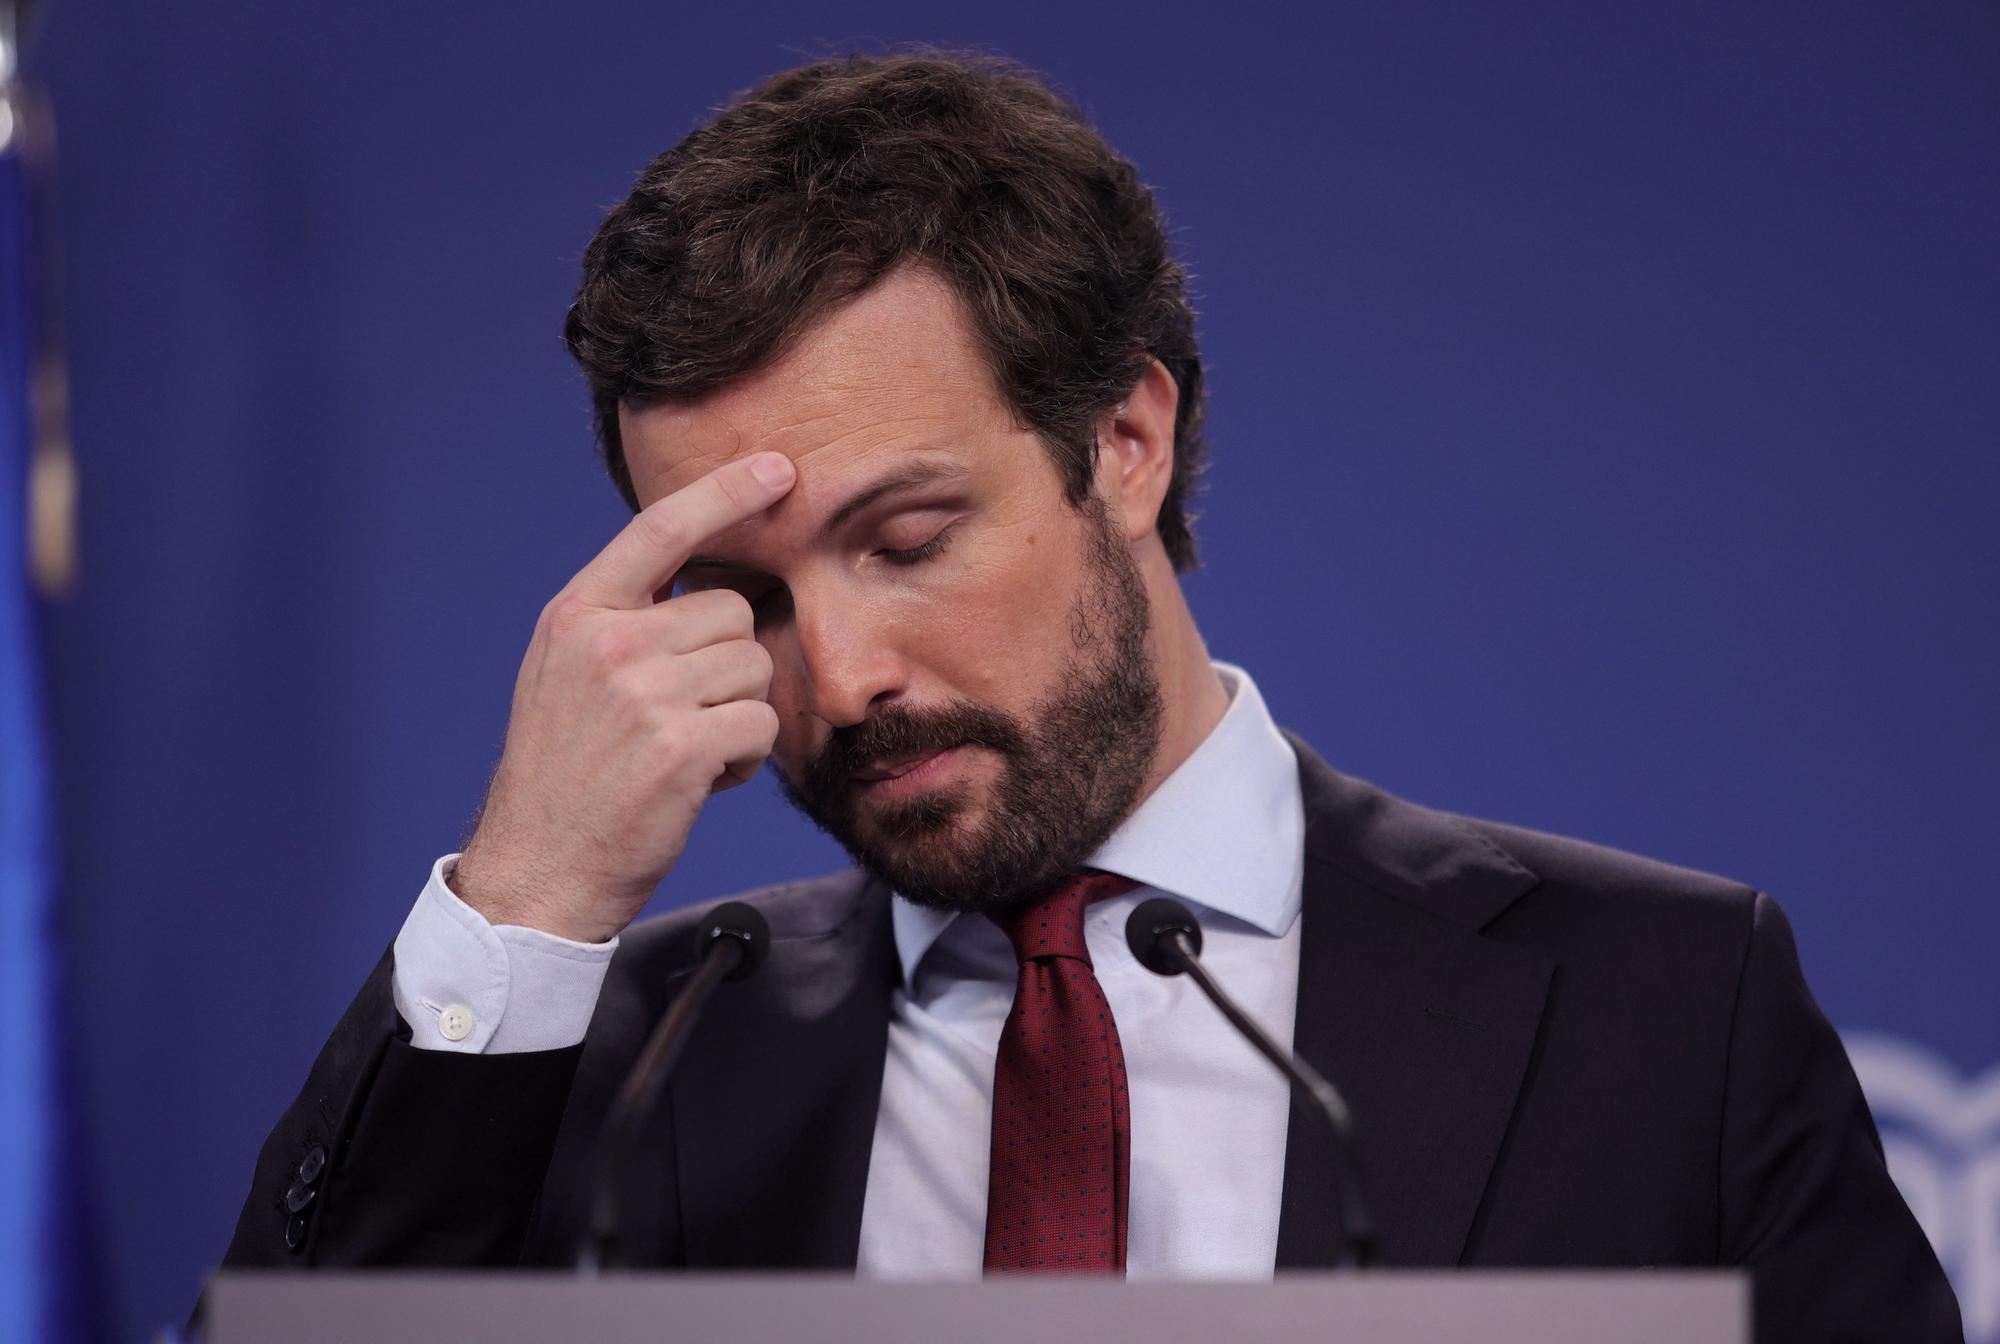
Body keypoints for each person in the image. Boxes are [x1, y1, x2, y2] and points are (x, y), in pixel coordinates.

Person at [217, 49, 1961, 1341]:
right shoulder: (635, 1051)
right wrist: (525, 898)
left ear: (1126, 437)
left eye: (904, 538)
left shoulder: (1661, 1008)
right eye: (745, 595)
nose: (837, 678)